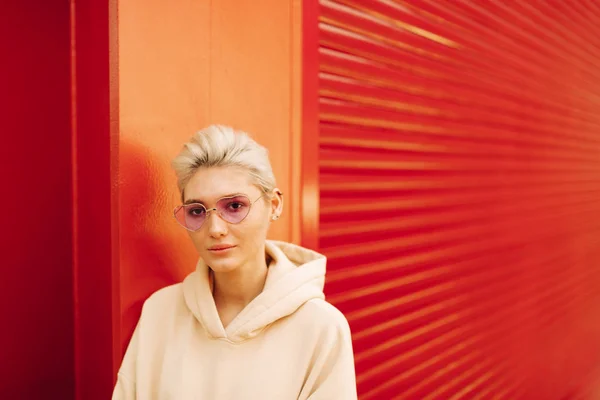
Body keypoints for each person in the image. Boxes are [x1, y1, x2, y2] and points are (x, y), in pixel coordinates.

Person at [112, 125, 357, 399]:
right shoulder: (161, 311)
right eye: (197, 211)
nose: (215, 228)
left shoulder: (320, 327)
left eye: (235, 206)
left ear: (274, 205)